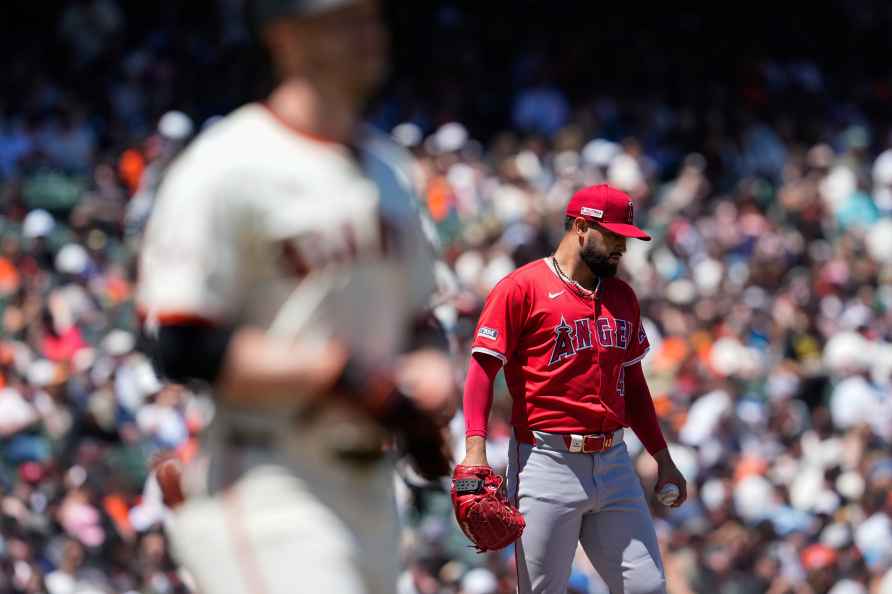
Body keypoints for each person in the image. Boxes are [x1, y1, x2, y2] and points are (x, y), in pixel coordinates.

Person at [137, 1, 454, 593]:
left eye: (372, 17)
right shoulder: (229, 164)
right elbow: (178, 342)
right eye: (343, 19)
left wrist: (429, 371)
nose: (369, 34)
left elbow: (420, 319)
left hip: (372, 492)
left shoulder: (389, 173)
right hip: (268, 483)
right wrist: (342, 374)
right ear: (286, 37)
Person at [458, 184, 687, 594]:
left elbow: (632, 384)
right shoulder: (521, 288)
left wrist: (662, 456)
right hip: (546, 461)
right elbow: (481, 371)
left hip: (614, 460)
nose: (622, 247)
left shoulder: (622, 297)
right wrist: (475, 447)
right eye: (614, 236)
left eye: (626, 238)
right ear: (582, 226)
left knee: (648, 587)